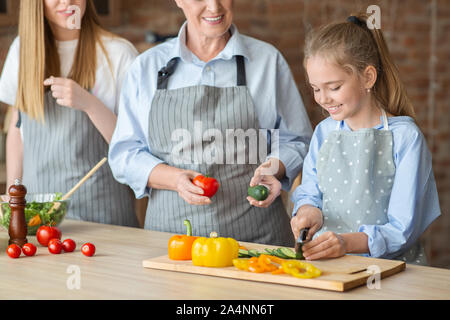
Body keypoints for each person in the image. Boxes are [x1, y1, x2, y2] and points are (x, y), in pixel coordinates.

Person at [109, 0, 312, 246]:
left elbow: (296, 139)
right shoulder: (147, 67)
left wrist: (273, 168)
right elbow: (124, 154)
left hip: (257, 243)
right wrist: (175, 179)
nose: (214, 7)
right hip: (171, 244)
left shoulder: (267, 61)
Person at [290, 14, 441, 265]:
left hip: (392, 272)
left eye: (334, 87)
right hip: (331, 268)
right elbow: (309, 191)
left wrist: (346, 243)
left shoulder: (406, 137)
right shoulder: (324, 132)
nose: (323, 99)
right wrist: (308, 210)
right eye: (316, 88)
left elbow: (402, 228)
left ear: (368, 77)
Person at [0, 0, 139, 227]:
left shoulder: (119, 54)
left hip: (104, 220)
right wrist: (13, 196)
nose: (67, 2)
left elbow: (134, 148)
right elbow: (18, 129)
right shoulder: (22, 50)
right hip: (39, 221)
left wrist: (91, 105)